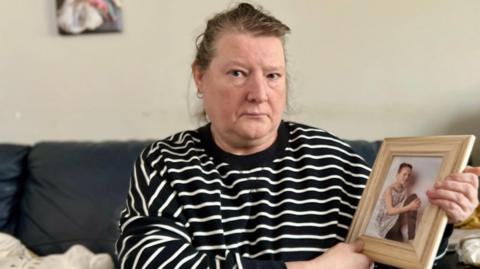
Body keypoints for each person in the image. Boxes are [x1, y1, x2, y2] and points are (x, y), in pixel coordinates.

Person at [115, 3, 480, 269]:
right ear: (200, 77)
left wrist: (441, 219)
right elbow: (147, 263)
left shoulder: (334, 159)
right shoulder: (164, 162)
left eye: (273, 75)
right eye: (238, 73)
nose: (259, 93)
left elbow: (390, 257)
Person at [373, 163, 420, 241]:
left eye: (409, 175)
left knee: (413, 197)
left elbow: (403, 206)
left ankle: (411, 237)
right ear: (397, 175)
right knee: (412, 200)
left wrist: (414, 204)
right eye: (404, 174)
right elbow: (390, 211)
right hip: (386, 223)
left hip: (397, 219)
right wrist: (410, 207)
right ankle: (408, 237)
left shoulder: (404, 190)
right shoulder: (389, 190)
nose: (406, 177)